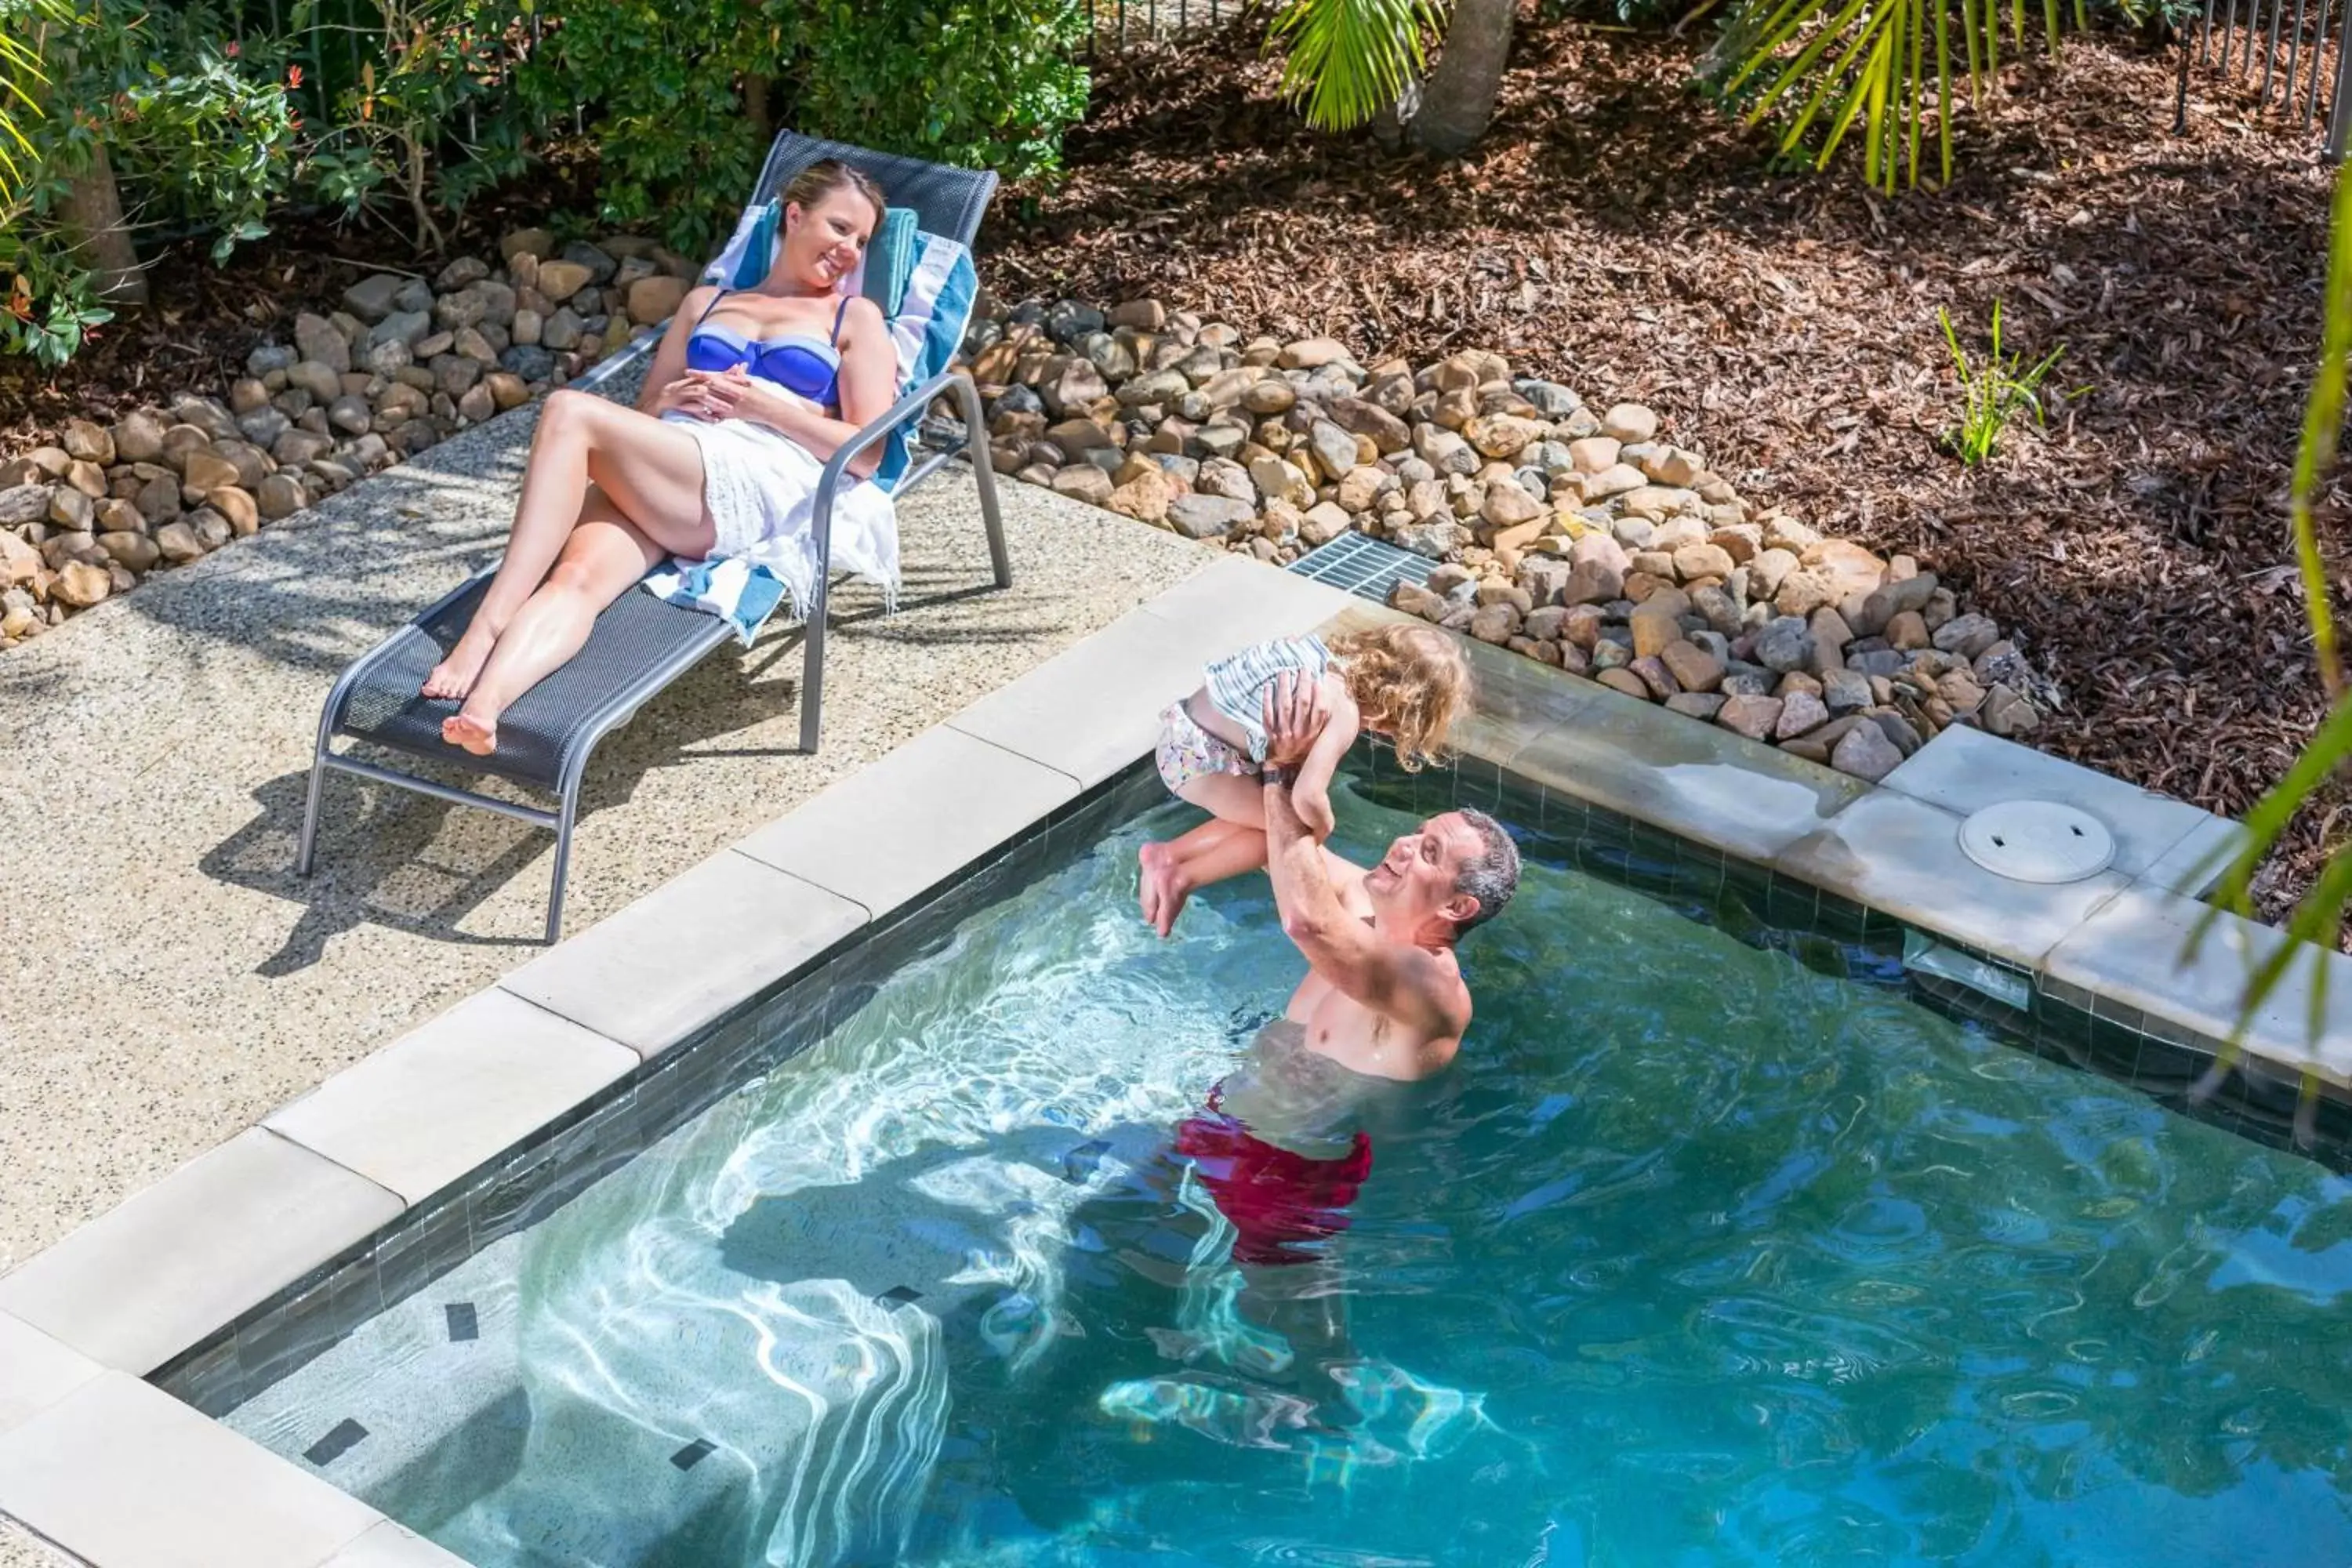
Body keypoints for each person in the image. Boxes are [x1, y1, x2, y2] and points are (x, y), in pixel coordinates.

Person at [419, 158, 901, 755]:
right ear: (794, 215)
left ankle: (485, 626)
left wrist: (765, 409)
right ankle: (485, 708)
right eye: (839, 228)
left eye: (861, 240)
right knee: (575, 579)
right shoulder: (706, 303)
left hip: (751, 474)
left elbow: (867, 454)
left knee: (570, 411)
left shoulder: (852, 318)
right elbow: (647, 411)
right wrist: (672, 397)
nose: (850, 251)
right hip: (670, 466)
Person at [1138, 621, 1471, 937]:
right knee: (1288, 834)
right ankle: (1181, 874)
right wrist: (1324, 826)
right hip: (1201, 765)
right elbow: (1308, 798)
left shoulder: (1317, 658)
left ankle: (1168, 855)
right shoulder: (1345, 712)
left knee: (1265, 818)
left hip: (1181, 733)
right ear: (1396, 709)